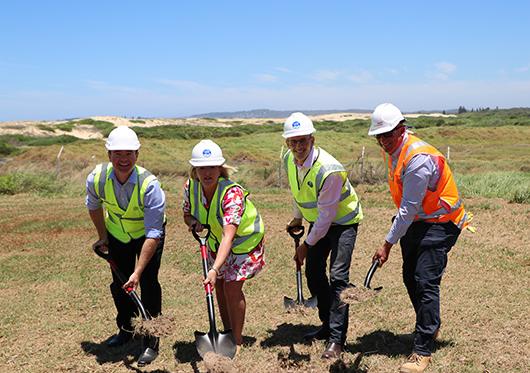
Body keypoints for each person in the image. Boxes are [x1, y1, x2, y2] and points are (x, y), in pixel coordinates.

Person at [369, 103, 469, 373]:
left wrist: (387, 243)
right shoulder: (394, 151)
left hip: (440, 223)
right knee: (409, 277)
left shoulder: (417, 159)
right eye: (379, 136)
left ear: (401, 129)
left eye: (388, 134)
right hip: (417, 221)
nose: (383, 141)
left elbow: (408, 208)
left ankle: (422, 351)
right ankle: (431, 325)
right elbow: (408, 209)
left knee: (425, 282)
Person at [282, 112, 363, 359]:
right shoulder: (289, 159)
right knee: (313, 273)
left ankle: (337, 340)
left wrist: (305, 245)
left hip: (343, 222)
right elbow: (297, 190)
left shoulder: (329, 170)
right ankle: (327, 324)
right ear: (287, 143)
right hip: (319, 223)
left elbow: (327, 217)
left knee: (338, 277)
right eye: (292, 141)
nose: (298, 146)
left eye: (302, 140)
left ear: (312, 139)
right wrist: (297, 217)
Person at [85, 126, 166, 366]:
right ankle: (126, 330)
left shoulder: (150, 185)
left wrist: (138, 272)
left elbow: (153, 232)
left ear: (137, 155)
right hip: (117, 234)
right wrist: (103, 236)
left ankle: (151, 339)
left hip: (147, 236)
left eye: (128, 153)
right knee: (120, 285)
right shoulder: (97, 178)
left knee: (149, 283)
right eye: (117, 153)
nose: (123, 159)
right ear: (109, 155)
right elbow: (93, 206)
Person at [182, 139, 265, 353]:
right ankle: (226, 332)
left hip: (244, 243)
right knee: (217, 285)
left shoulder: (232, 194)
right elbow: (186, 214)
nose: (207, 173)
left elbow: (229, 235)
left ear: (220, 168)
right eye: (202, 168)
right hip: (214, 241)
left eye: (212, 167)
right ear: (195, 170)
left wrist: (214, 268)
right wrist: (193, 222)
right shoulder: (191, 187)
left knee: (231, 286)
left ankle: (236, 342)